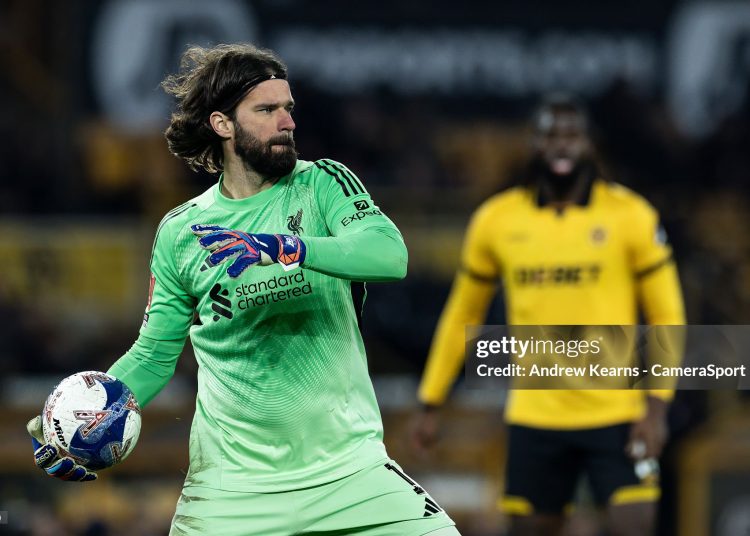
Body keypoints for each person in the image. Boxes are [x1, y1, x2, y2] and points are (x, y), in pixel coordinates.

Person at [27, 43, 460, 536]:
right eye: (267, 110)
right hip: (230, 492)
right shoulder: (181, 233)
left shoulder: (322, 185)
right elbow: (152, 356)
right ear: (223, 124)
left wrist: (288, 247)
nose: (287, 121)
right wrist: (74, 420)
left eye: (288, 108)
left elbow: (388, 256)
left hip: (350, 475)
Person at [412, 96, 685, 536]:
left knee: (635, 527)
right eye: (551, 135)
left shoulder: (630, 216)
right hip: (535, 414)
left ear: (589, 144)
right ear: (534, 144)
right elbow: (463, 311)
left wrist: (656, 408)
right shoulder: (496, 221)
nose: (562, 146)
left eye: (572, 135)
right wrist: (431, 400)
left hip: (617, 412)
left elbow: (666, 312)